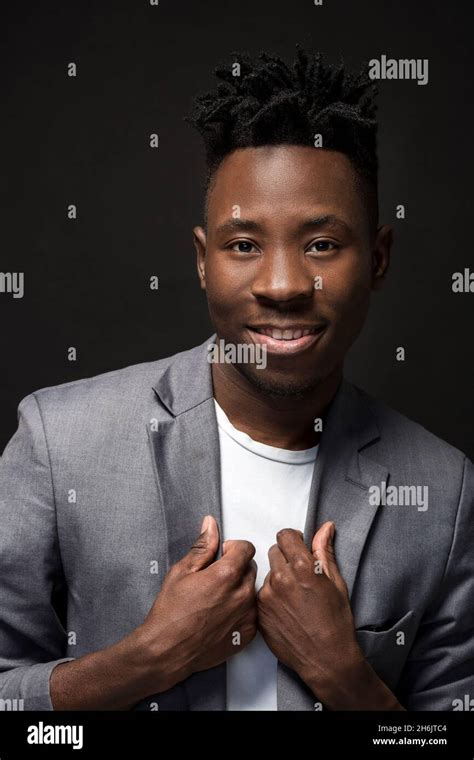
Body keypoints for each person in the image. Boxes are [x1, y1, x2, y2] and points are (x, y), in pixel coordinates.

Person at [0, 47, 472, 712]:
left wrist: (346, 678)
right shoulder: (59, 443)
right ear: (202, 261)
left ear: (378, 259)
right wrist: (143, 662)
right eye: (244, 245)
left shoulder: (444, 492)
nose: (281, 285)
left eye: (321, 245)